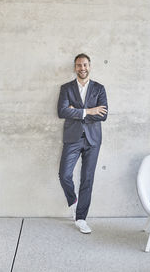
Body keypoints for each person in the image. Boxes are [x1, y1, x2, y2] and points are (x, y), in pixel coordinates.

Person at [57, 53, 108, 234]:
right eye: (79, 65)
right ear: (75, 68)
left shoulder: (99, 88)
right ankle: (73, 200)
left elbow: (103, 114)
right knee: (64, 175)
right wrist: (88, 110)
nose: (82, 68)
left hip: (93, 140)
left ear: (90, 66)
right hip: (73, 138)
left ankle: (81, 218)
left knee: (87, 179)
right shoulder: (66, 88)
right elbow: (62, 111)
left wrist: (77, 111)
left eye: (85, 65)